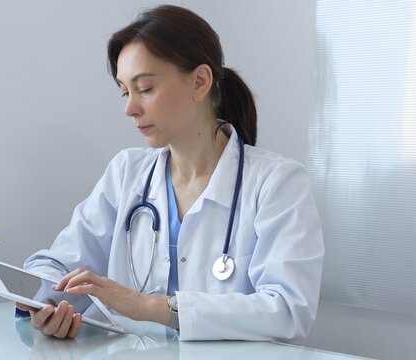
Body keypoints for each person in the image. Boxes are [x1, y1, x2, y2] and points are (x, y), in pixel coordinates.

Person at [18, 5, 324, 342]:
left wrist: (148, 306)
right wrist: (47, 306)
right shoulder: (127, 173)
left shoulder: (277, 183)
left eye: (145, 89)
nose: (130, 108)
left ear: (200, 82)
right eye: (124, 91)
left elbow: (288, 311)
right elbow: (55, 263)